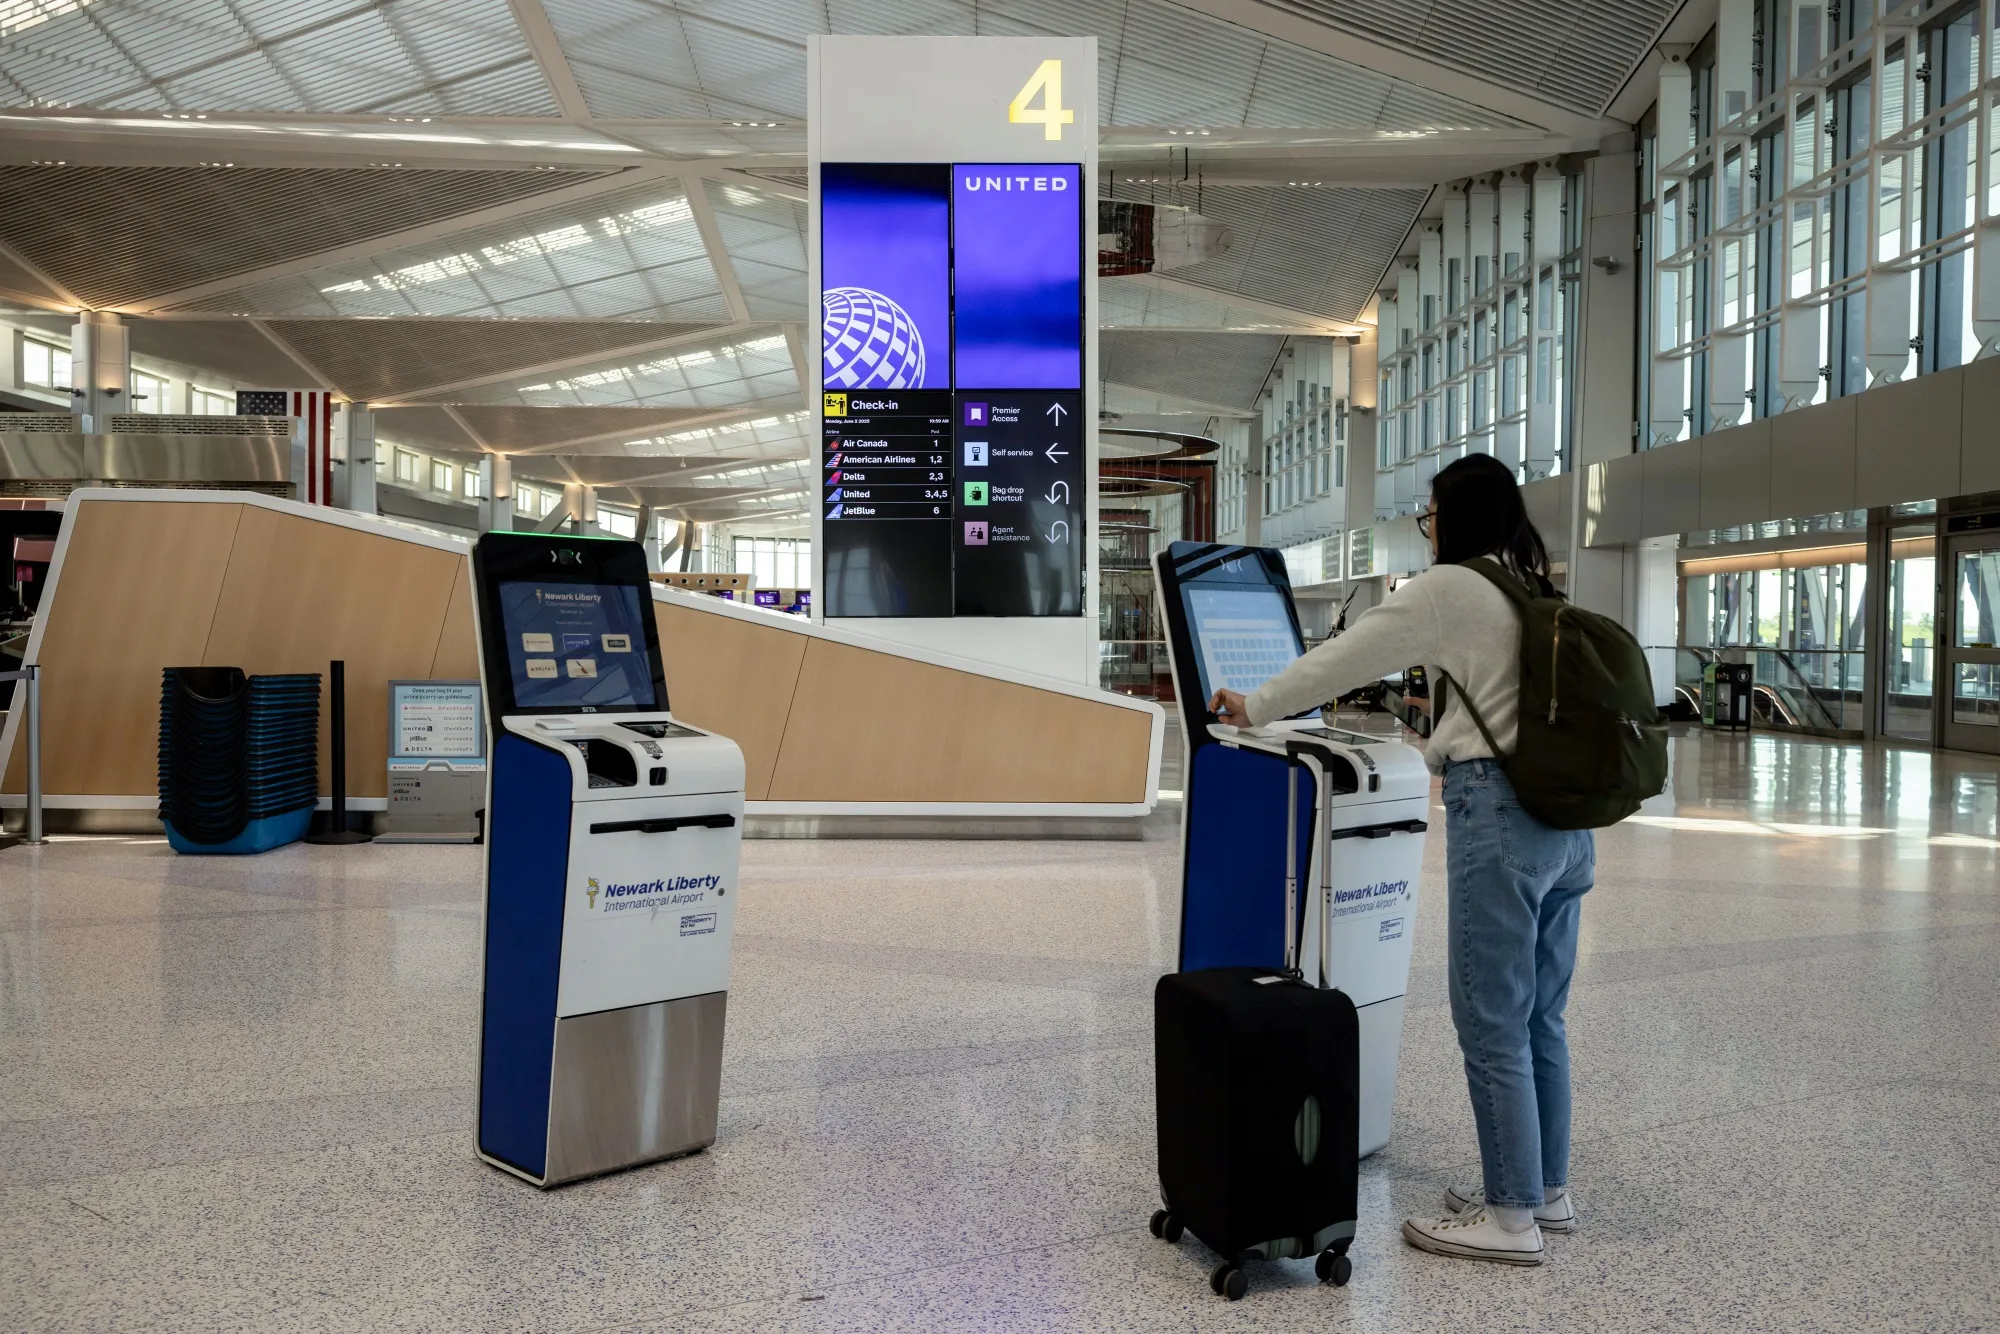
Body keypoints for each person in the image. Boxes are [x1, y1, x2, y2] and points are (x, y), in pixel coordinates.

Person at [1210, 453, 1593, 1267]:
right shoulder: (1532, 582)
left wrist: (1259, 702)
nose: (1427, 531)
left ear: (1453, 518)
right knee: (1538, 1017)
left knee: (1490, 1018)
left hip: (1501, 814)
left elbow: (1351, 654)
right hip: (1567, 825)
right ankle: (1544, 1190)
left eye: (1429, 516)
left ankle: (1511, 1217)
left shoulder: (1452, 588)